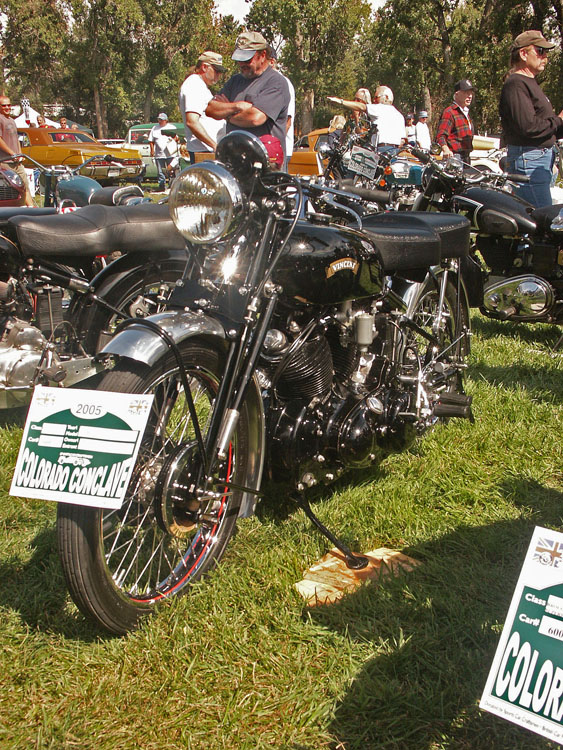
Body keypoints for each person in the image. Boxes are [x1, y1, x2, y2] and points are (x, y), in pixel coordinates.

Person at [500, 30, 563, 208]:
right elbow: (528, 126)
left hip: (539, 159)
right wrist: (558, 120)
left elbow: (546, 126)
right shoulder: (516, 83)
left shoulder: (530, 83)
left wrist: (559, 124)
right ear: (523, 53)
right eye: (540, 51)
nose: (545, 57)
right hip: (529, 159)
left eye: (546, 53)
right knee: (541, 220)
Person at [206, 31, 290, 163]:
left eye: (247, 59)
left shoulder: (276, 82)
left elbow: (255, 118)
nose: (241, 64)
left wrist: (226, 113)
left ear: (262, 55)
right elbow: (211, 109)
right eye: (239, 59)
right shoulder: (235, 81)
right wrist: (238, 106)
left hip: (265, 168)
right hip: (235, 164)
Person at [179, 50, 226, 164]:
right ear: (205, 67)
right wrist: (214, 146)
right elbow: (192, 122)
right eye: (217, 71)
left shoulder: (200, 85)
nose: (219, 75)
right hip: (204, 151)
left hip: (207, 150)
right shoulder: (194, 85)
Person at [327, 85, 406, 151]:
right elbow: (402, 140)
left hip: (375, 150)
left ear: (386, 97)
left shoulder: (377, 110)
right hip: (393, 151)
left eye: (376, 97)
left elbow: (362, 135)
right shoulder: (399, 115)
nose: (374, 100)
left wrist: (340, 101)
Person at [0, 95, 34, 206]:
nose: (7, 107)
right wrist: (12, 153)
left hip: (17, 162)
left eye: (9, 105)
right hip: (6, 162)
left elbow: (16, 139)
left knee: (25, 186)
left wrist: (19, 154)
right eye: (4, 105)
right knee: (13, 189)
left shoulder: (12, 120)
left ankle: (32, 210)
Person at [436, 80, 474, 163]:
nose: (470, 96)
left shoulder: (465, 113)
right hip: (454, 158)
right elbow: (441, 135)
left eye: (471, 93)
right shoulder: (449, 112)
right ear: (457, 94)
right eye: (466, 92)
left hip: (466, 158)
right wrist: (445, 149)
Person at [269, 46, 295, 170]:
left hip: (278, 151)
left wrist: (274, 147)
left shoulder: (282, 83)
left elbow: (287, 122)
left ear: (272, 62)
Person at [148, 113, 173, 191]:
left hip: (170, 154)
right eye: (159, 119)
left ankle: (171, 185)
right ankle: (161, 186)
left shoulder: (171, 127)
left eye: (161, 120)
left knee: (171, 171)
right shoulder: (154, 128)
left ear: (166, 120)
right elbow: (151, 141)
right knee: (160, 171)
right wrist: (152, 150)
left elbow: (177, 139)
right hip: (159, 155)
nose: (160, 121)